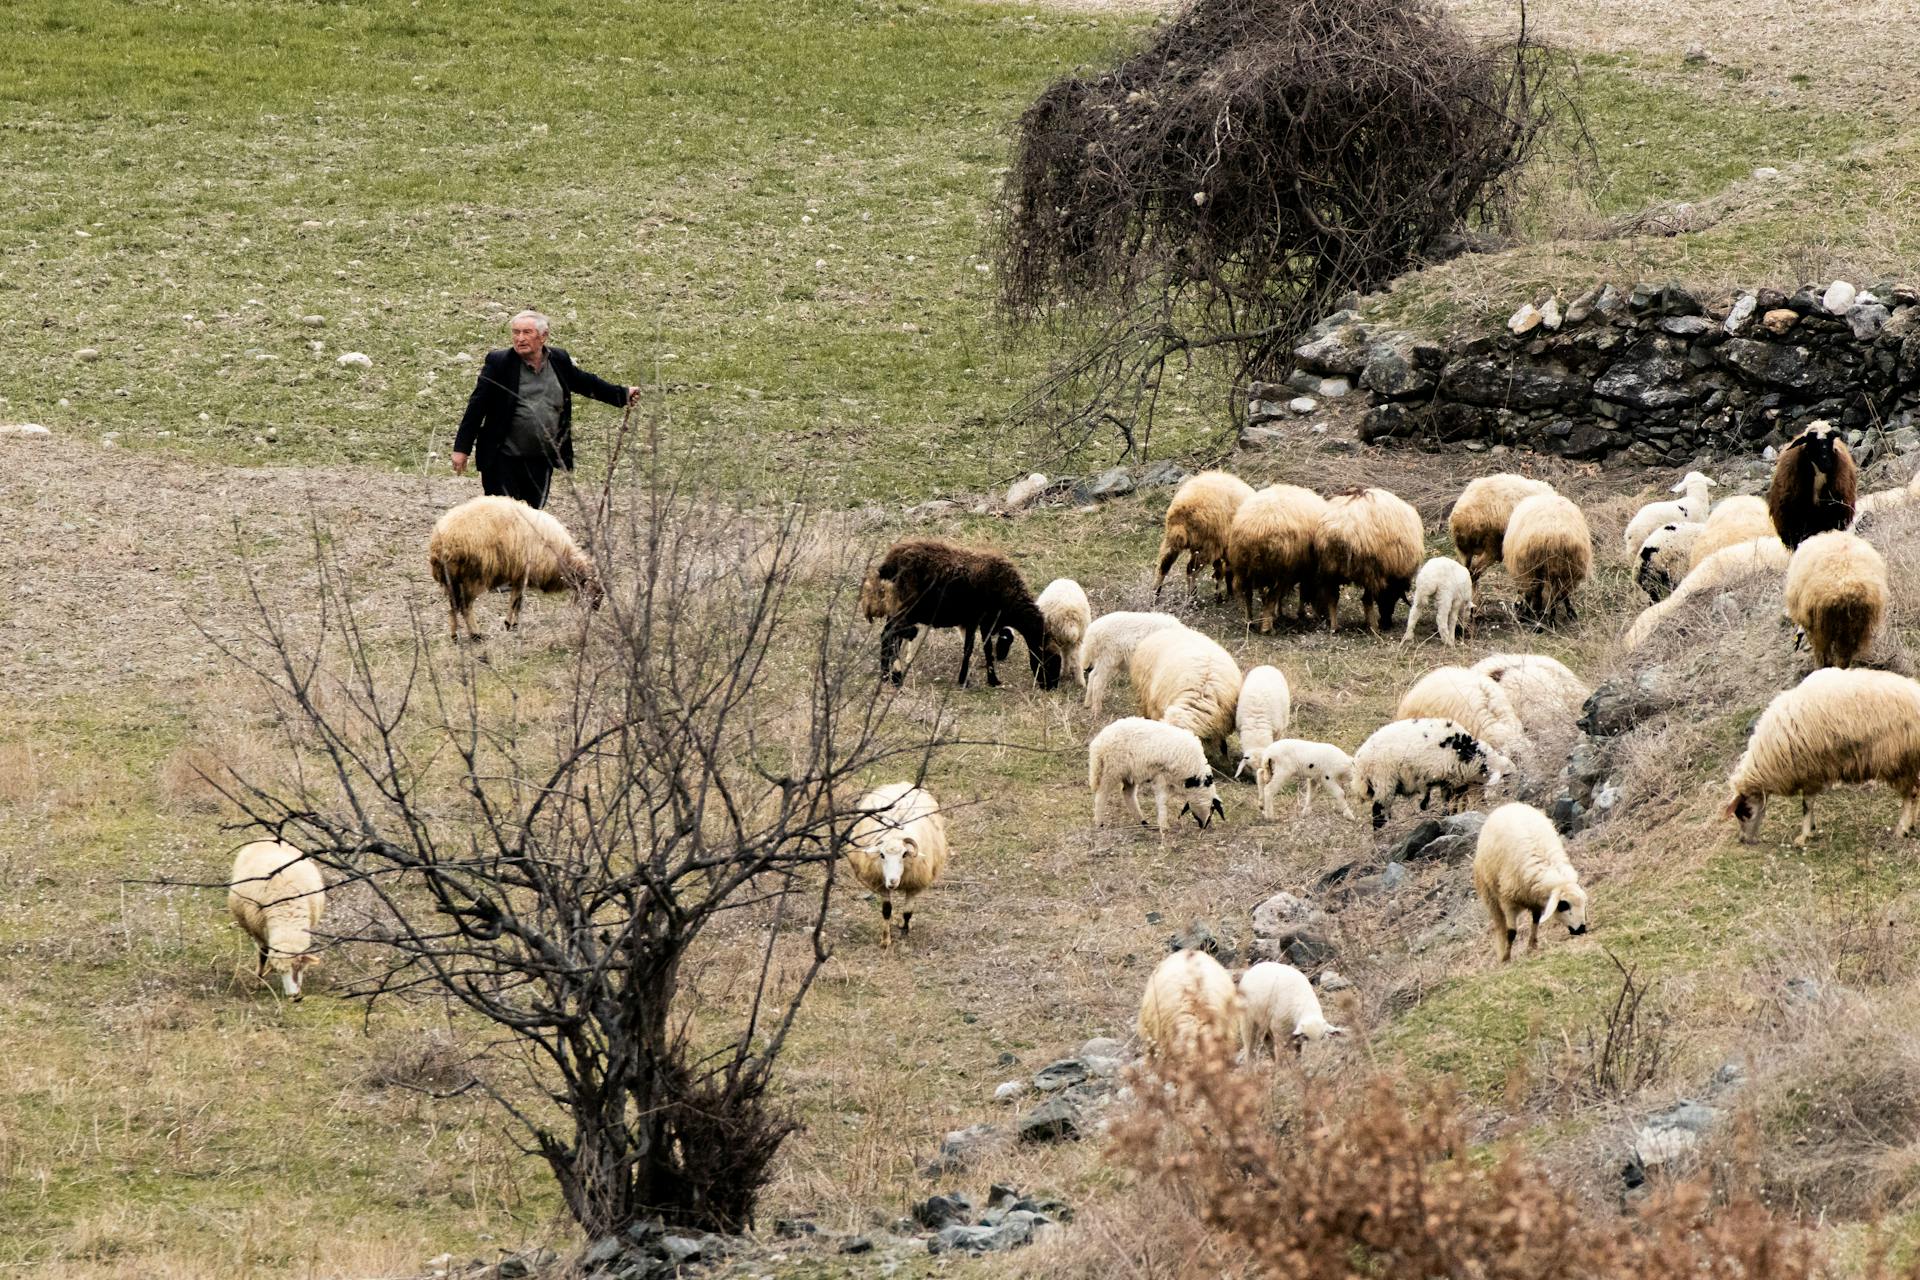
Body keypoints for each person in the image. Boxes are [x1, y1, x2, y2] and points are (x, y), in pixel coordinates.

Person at [451, 310, 640, 509]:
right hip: (503, 458)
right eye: (516, 332)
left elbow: (585, 383)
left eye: (527, 332)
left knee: (534, 515)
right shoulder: (499, 363)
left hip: (541, 459)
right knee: (503, 516)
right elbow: (477, 406)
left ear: (543, 336)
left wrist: (622, 394)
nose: (520, 338)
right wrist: (462, 449)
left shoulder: (558, 360)